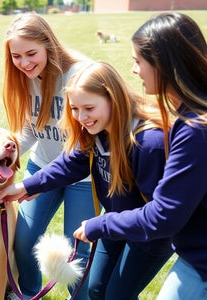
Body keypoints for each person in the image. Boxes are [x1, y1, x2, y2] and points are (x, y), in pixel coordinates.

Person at [0, 61, 173, 299]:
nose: (81, 118)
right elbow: (71, 163)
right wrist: (26, 186)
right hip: (115, 224)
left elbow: (158, 216)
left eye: (88, 108)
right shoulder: (95, 132)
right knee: (95, 289)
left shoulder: (149, 143)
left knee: (118, 295)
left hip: (149, 238)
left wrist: (100, 225)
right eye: (74, 109)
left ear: (113, 99)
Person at [72, 12, 207, 300]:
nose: (134, 70)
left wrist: (100, 224)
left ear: (163, 64)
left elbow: (162, 216)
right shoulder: (191, 118)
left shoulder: (195, 129)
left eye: (138, 61)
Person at [1, 12, 94, 299]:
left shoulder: (80, 74)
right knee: (24, 239)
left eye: (31, 53)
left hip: (84, 175)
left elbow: (92, 137)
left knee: (76, 246)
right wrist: (6, 151)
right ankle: (27, 292)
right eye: (16, 56)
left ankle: (77, 296)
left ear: (48, 44)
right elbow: (31, 127)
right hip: (42, 166)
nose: (24, 63)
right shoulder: (25, 77)